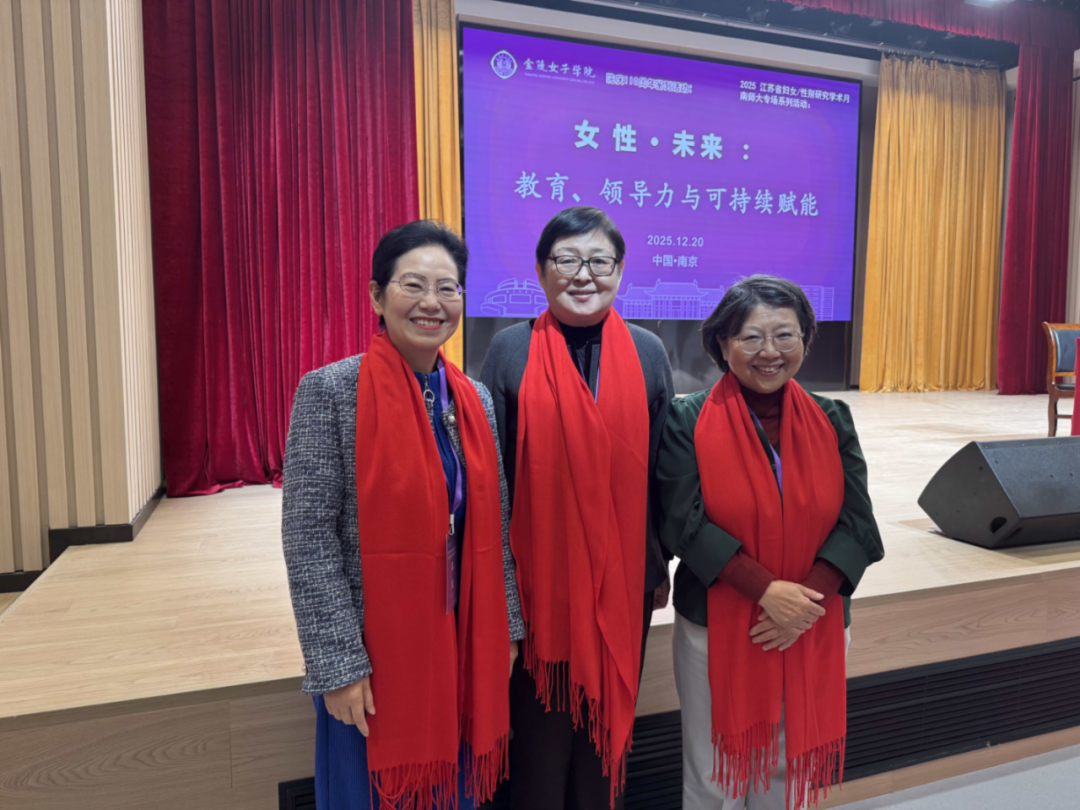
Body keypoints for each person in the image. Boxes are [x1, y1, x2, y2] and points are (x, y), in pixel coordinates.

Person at [283, 221, 525, 810]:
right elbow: (308, 538)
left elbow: (495, 528)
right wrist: (338, 664)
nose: (431, 303)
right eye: (412, 285)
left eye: (448, 288)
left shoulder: (474, 399)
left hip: (462, 642)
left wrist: (506, 630)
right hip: (375, 657)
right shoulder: (331, 392)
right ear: (376, 295)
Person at [656, 275, 884, 810]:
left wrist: (804, 602)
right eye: (751, 338)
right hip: (718, 620)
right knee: (715, 771)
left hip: (812, 616)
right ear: (722, 344)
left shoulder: (833, 418)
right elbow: (682, 521)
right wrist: (766, 592)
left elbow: (858, 521)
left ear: (805, 339)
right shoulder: (687, 419)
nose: (769, 352)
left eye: (785, 336)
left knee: (788, 766)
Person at [480, 207, 674, 810]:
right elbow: (493, 479)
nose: (583, 274)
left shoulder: (647, 351)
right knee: (539, 735)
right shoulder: (511, 349)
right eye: (567, 260)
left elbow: (662, 471)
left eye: (599, 261)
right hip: (540, 580)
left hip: (623, 579)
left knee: (605, 731)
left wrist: (655, 564)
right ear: (542, 271)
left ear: (620, 270)